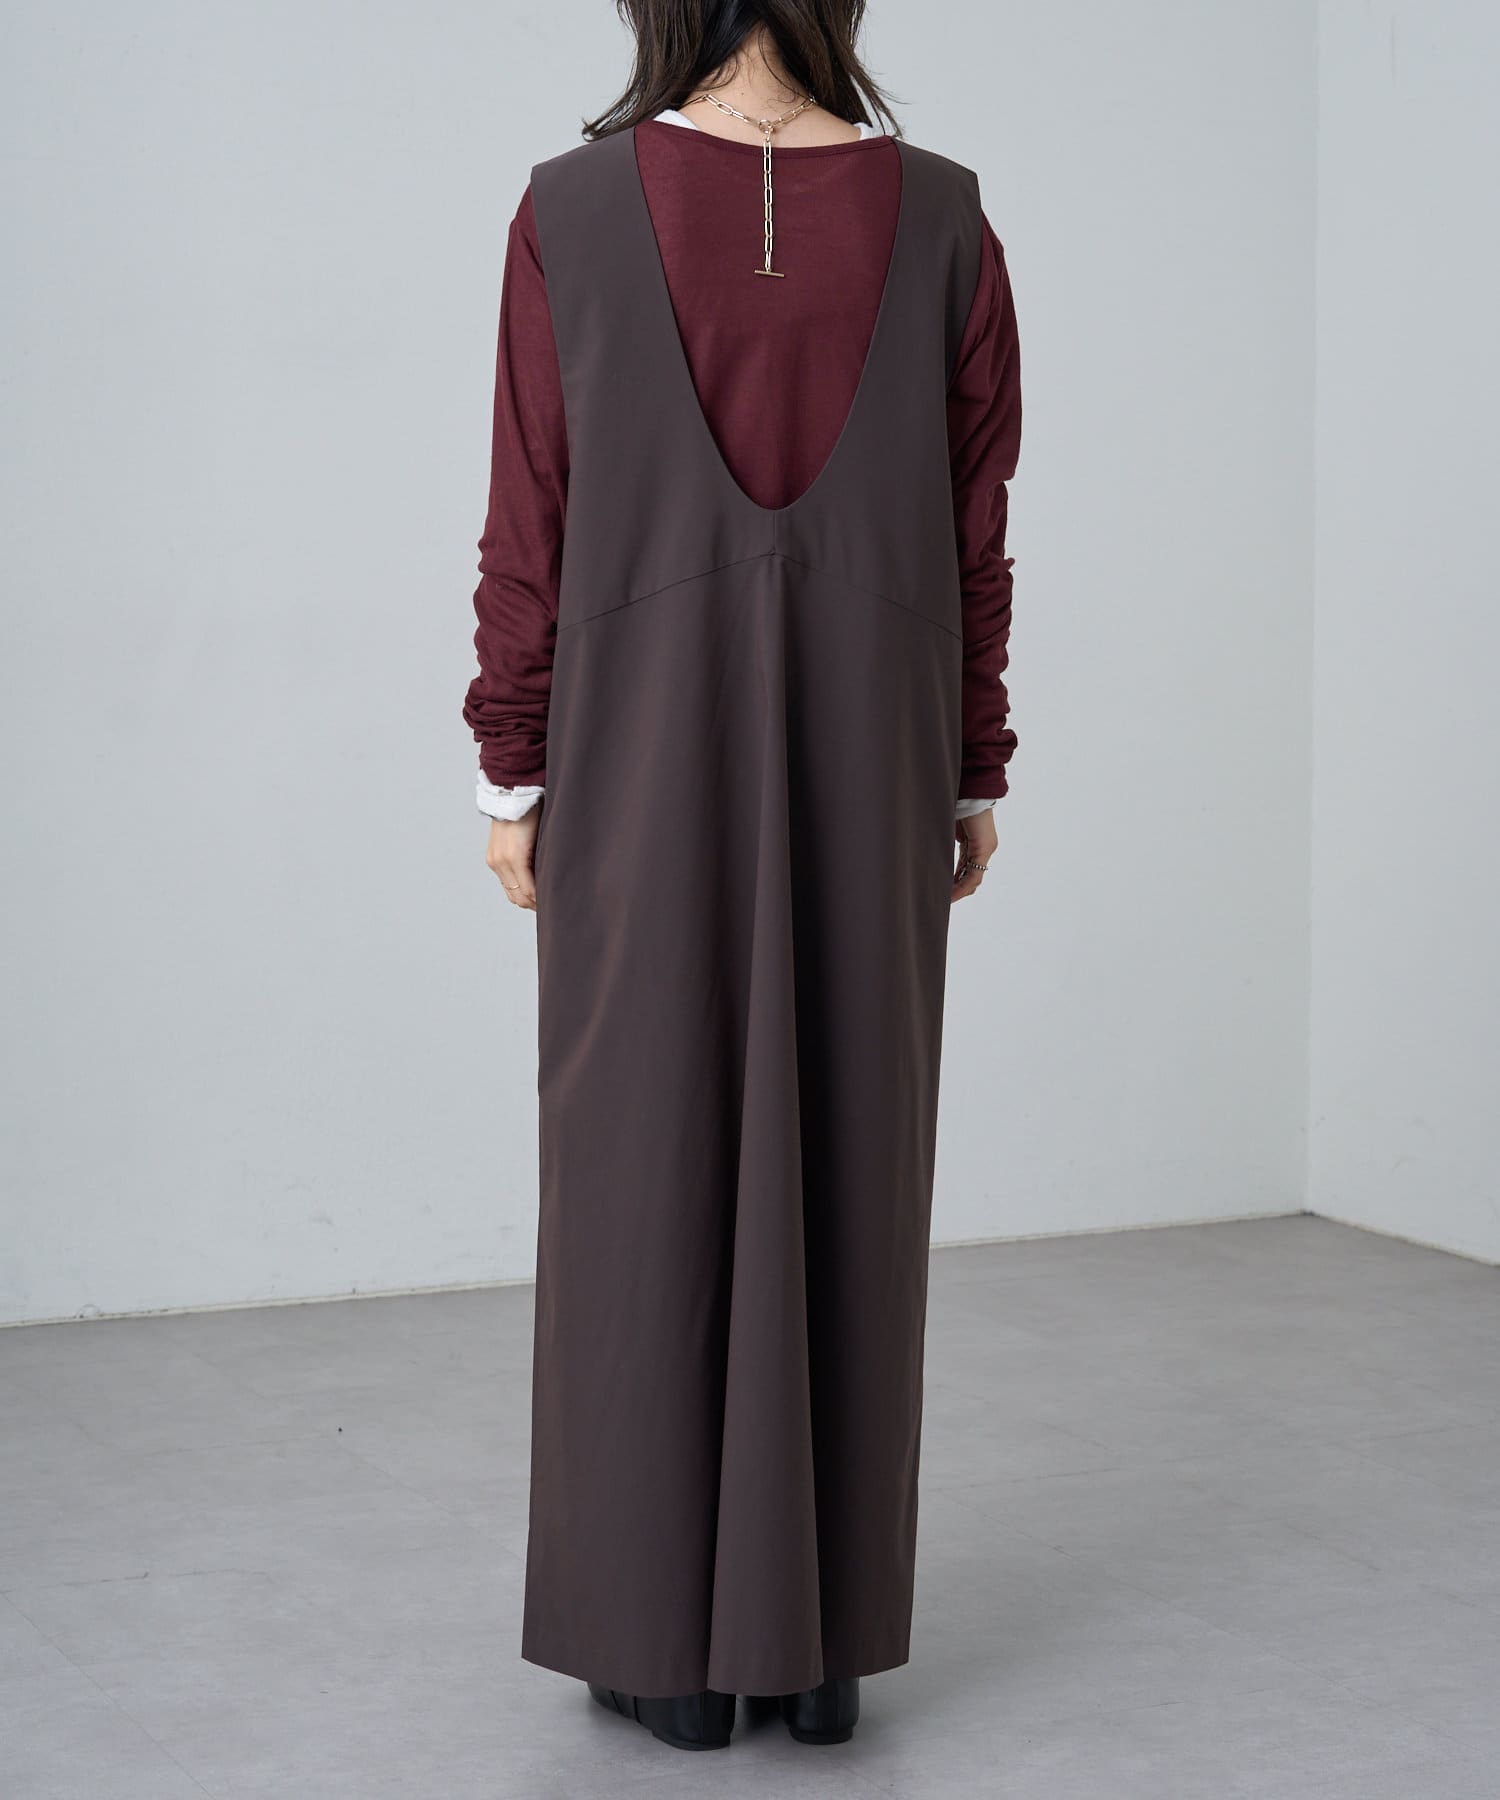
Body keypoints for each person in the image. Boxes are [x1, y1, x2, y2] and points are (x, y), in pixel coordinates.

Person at [461, 0, 1021, 1755]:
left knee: (636, 1163)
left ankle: (668, 1653)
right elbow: (976, 523)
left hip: (639, 738)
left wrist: (509, 763)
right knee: (853, 1146)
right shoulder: (943, 216)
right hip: (877, 734)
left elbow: (531, 516)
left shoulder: (570, 210)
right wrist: (972, 760)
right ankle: (817, 1646)